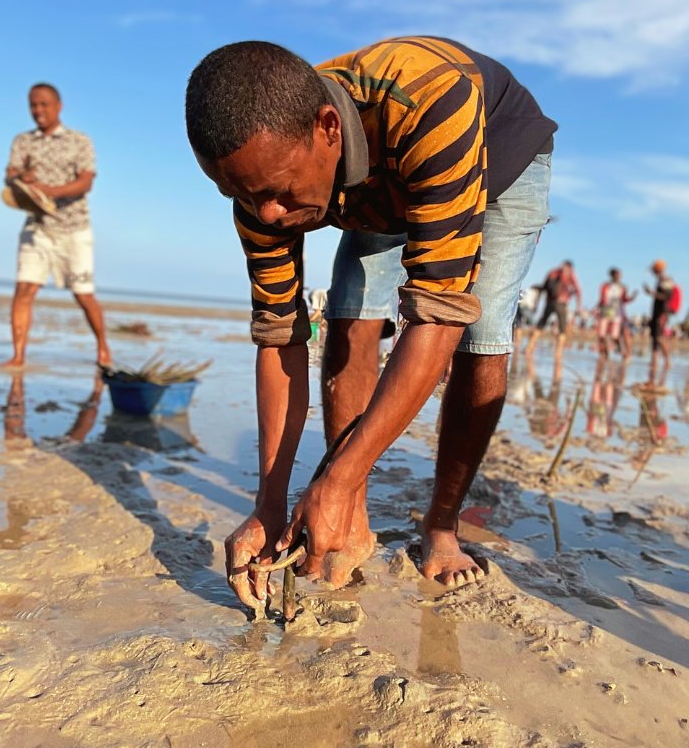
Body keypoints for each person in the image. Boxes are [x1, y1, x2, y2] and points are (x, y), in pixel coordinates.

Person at [185, 36, 556, 608]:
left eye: (279, 192)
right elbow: (281, 336)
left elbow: (437, 317)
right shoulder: (260, 181)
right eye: (239, 194)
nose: (268, 215)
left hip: (493, 153)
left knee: (480, 340)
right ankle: (349, 516)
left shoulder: (431, 101)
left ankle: (441, 525)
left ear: (328, 129)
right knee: (350, 312)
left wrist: (331, 480)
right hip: (370, 181)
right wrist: (268, 504)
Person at [2, 84, 110, 369]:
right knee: (24, 289)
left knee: (83, 295)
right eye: (33, 105)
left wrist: (50, 192)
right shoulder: (23, 141)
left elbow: (86, 182)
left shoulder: (79, 141)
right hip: (37, 227)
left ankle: (103, 347)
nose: (38, 110)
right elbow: (10, 175)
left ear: (58, 106)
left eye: (43, 104)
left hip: (74, 228)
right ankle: (18, 355)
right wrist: (20, 178)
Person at [527, 261, 583, 361]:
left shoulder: (552, 272)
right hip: (561, 303)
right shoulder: (569, 274)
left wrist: (536, 304)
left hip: (549, 303)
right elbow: (578, 290)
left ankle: (529, 347)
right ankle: (558, 352)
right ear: (570, 267)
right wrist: (579, 307)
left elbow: (543, 288)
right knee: (562, 328)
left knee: (541, 324)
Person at [643, 260, 676, 383]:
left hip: (662, 312)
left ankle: (667, 361)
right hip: (657, 312)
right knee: (655, 337)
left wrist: (652, 293)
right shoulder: (661, 280)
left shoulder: (666, 280)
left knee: (659, 337)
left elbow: (667, 296)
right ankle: (654, 360)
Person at [595, 268, 636, 360]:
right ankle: (604, 353)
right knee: (601, 334)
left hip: (617, 313)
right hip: (605, 311)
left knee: (614, 335)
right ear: (612, 275)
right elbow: (602, 298)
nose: (618, 277)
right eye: (617, 275)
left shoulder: (622, 287)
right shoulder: (605, 286)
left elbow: (624, 300)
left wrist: (632, 298)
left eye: (620, 275)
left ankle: (621, 351)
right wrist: (597, 308)